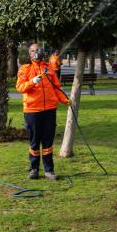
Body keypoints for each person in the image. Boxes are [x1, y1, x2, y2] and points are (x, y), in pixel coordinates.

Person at [16, 42, 70, 181]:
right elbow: (20, 87)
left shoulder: (48, 67)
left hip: (49, 110)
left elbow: (56, 87)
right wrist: (32, 82)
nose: (37, 52)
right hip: (32, 110)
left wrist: (65, 100)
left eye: (38, 49)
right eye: (34, 50)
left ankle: (49, 170)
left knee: (48, 142)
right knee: (34, 141)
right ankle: (34, 169)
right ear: (29, 54)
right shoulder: (25, 68)